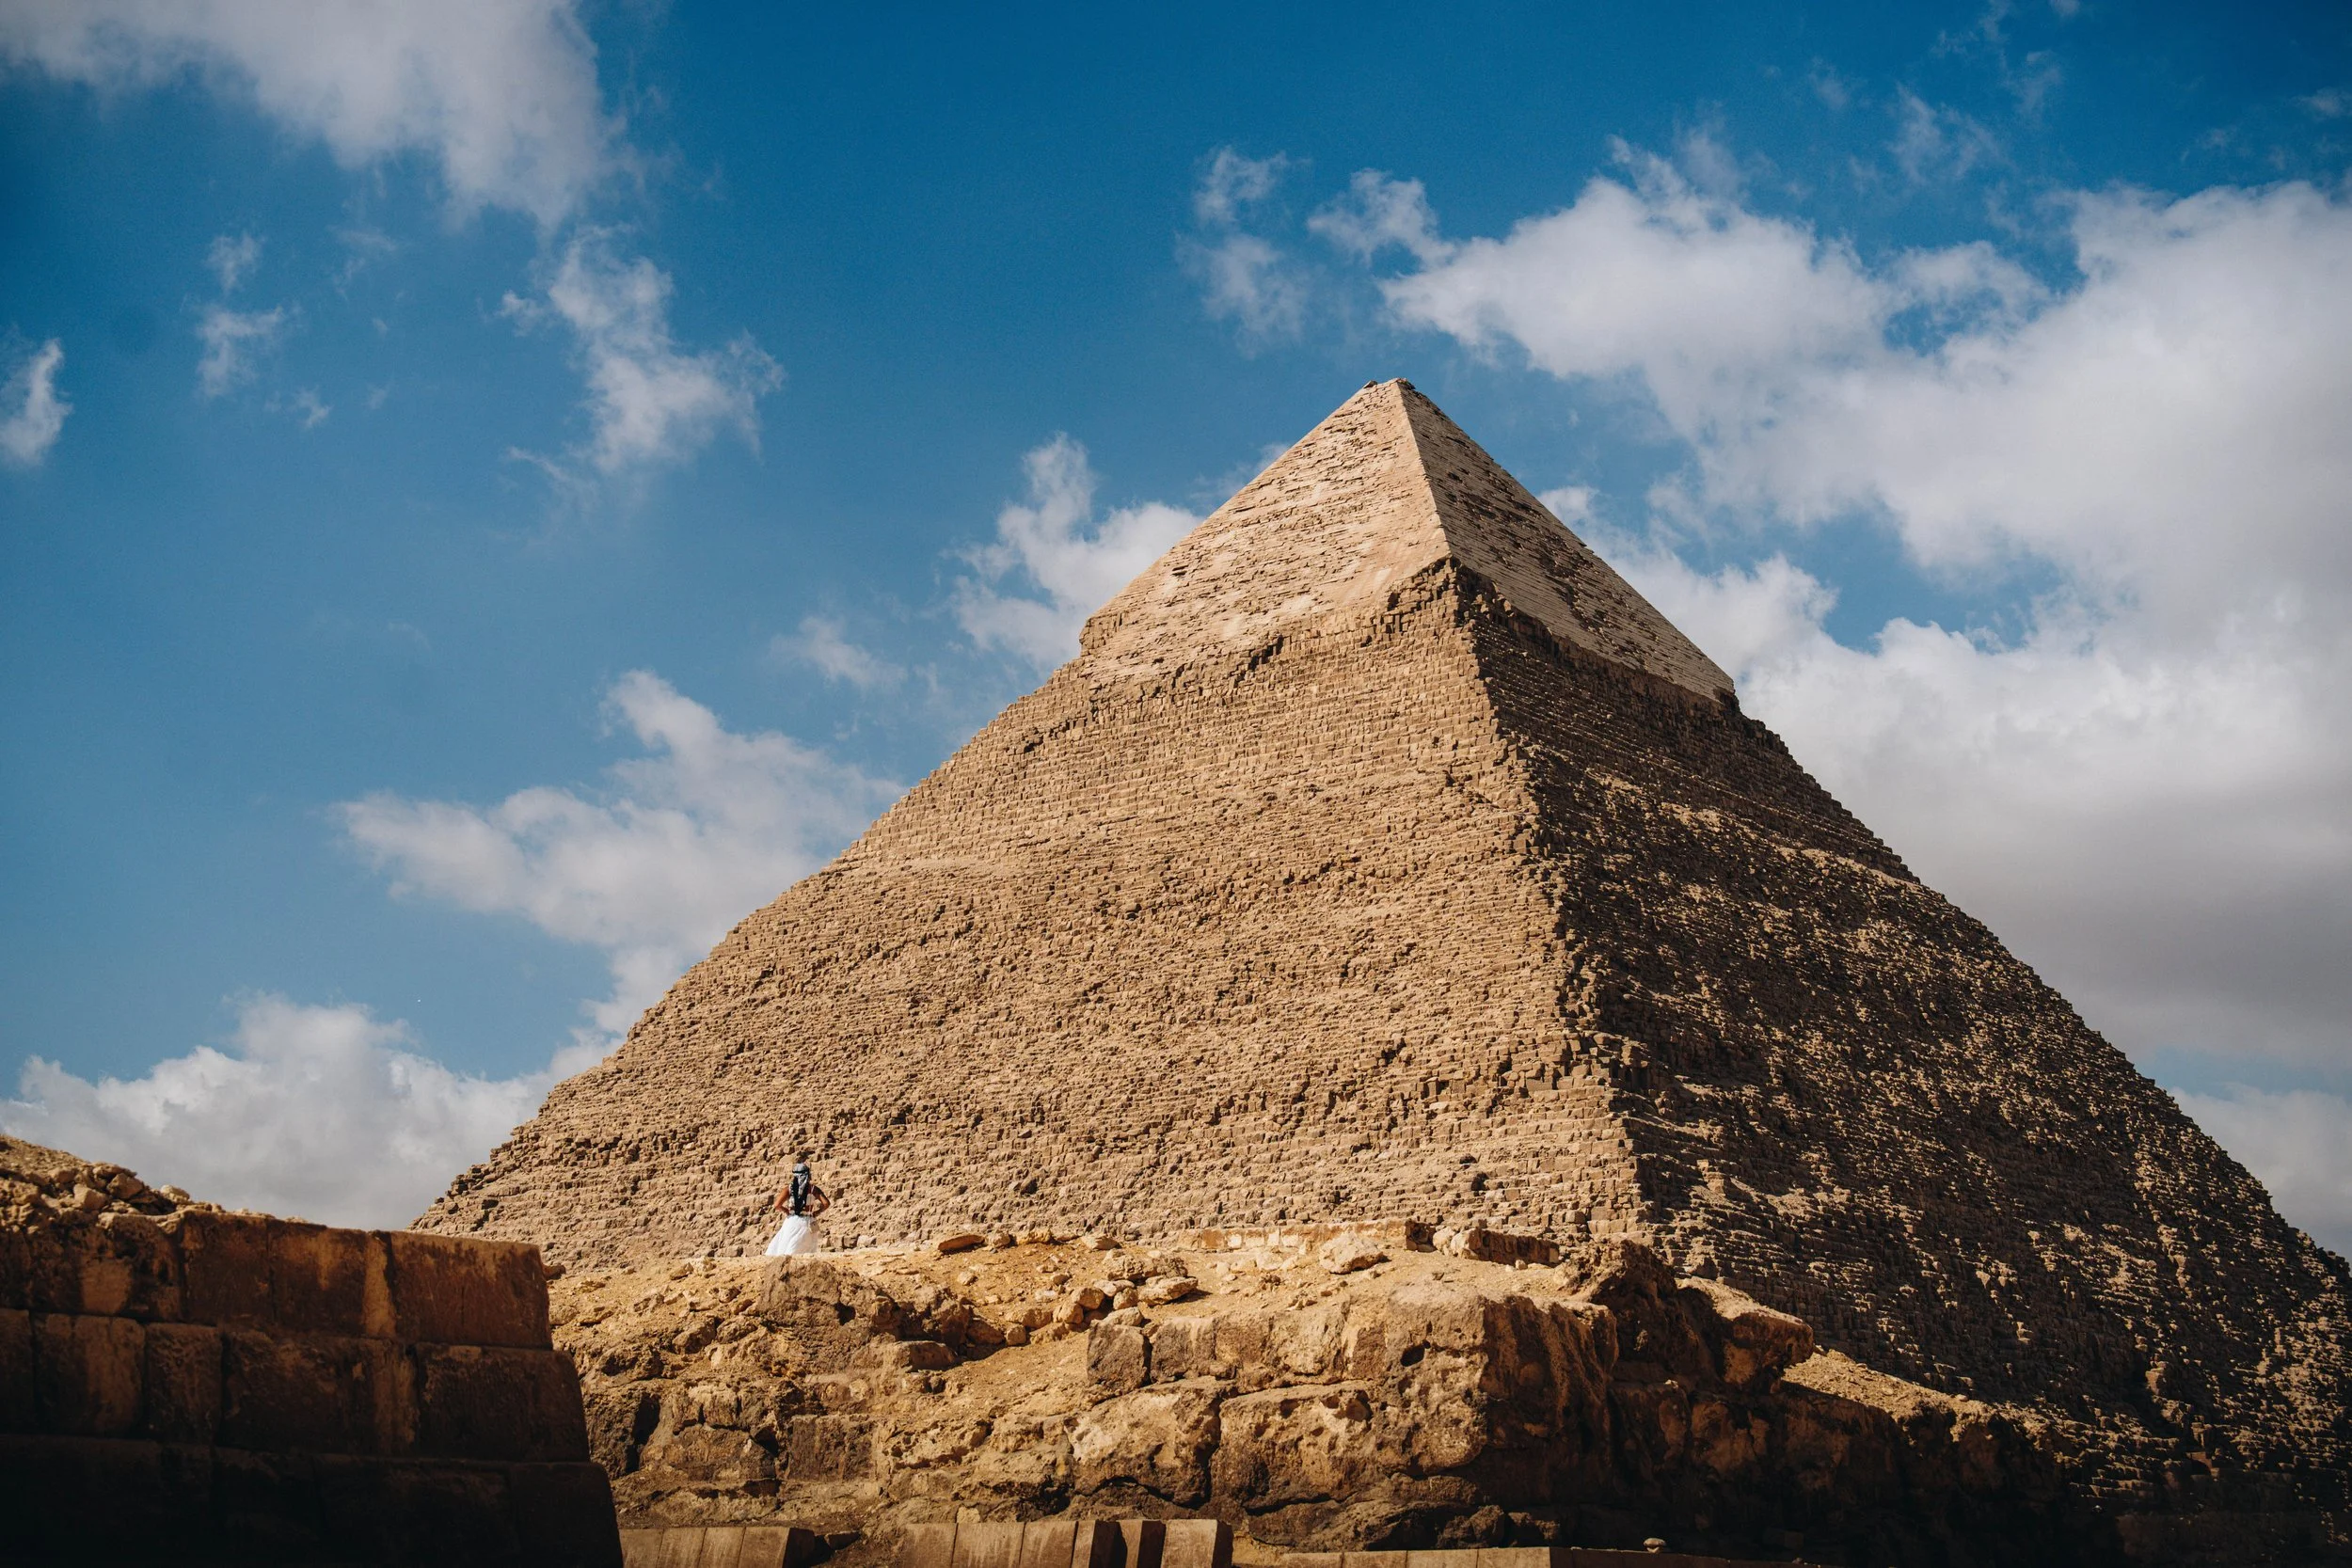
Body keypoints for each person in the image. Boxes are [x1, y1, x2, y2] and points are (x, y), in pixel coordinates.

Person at [763, 1154, 831, 1257]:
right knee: (805, 1253)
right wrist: (816, 1212)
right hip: (807, 1222)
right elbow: (826, 1203)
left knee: (787, 1250)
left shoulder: (789, 1189)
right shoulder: (813, 1189)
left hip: (792, 1222)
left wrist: (786, 1211)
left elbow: (777, 1205)